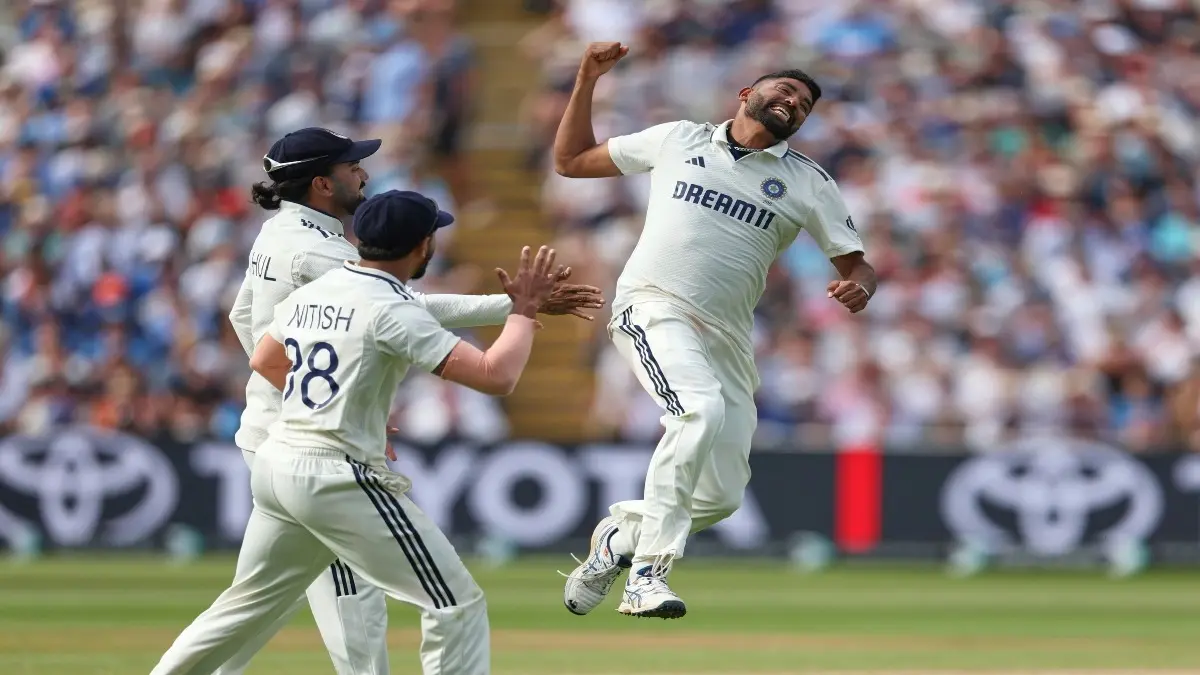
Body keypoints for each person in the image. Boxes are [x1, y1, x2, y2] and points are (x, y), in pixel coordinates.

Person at [215, 128, 603, 675]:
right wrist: (517, 306)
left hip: (282, 442)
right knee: (366, 603)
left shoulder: (277, 232)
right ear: (323, 182)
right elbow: (401, 308)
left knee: (256, 604)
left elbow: (246, 324)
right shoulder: (318, 251)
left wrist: (311, 392)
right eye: (353, 167)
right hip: (315, 449)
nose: (363, 174)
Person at [150, 190, 567, 674]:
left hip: (277, 462)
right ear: (423, 245)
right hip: (335, 477)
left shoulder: (315, 290)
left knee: (245, 606)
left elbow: (264, 358)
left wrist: (335, 407)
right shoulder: (392, 308)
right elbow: (496, 376)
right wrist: (523, 312)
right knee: (456, 603)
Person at [555, 43, 878, 619]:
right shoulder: (679, 138)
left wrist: (860, 286)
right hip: (653, 305)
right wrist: (585, 79)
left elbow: (857, 263)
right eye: (784, 90)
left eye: (804, 104)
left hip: (726, 335)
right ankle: (646, 576)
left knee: (721, 495)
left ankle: (617, 543)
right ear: (746, 94)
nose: (793, 103)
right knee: (696, 410)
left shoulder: (808, 181)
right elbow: (572, 160)